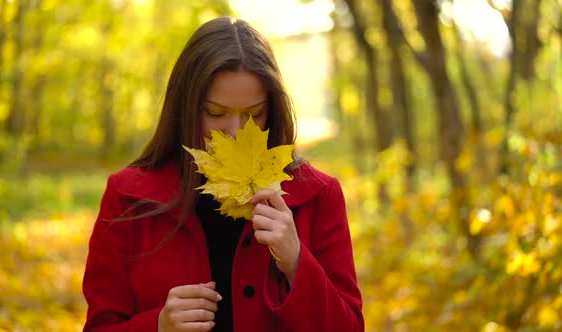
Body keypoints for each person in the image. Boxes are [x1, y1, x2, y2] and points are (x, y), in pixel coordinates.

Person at [82, 16, 364, 332]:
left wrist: (296, 263)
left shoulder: (317, 196)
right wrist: (157, 327)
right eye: (216, 113)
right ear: (185, 108)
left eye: (253, 114)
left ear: (272, 108)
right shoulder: (128, 197)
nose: (235, 132)